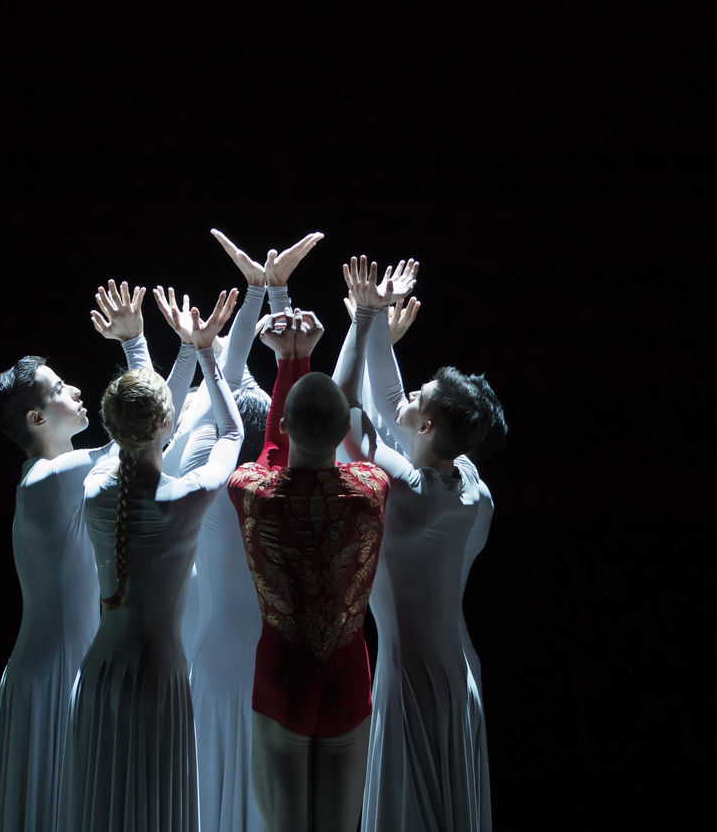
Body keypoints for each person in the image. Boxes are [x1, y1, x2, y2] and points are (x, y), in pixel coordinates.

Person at [0, 280, 169, 832]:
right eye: (60, 389)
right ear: (37, 419)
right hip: (55, 669)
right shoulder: (49, 478)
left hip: (55, 662)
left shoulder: (50, 478)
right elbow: (143, 428)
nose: (77, 391)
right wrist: (134, 342)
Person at [58, 288, 242, 832]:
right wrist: (204, 350)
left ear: (110, 427)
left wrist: (141, 345)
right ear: (168, 426)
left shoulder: (95, 488)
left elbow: (145, 418)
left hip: (101, 672)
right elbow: (232, 430)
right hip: (159, 676)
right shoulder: (187, 496)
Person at [340, 257, 507, 832]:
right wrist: (378, 326)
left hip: (412, 677)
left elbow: (346, 408)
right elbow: (393, 403)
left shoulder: (408, 490)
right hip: (456, 669)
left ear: (430, 428)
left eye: (422, 395)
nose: (409, 393)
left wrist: (366, 319)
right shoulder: (471, 486)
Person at [176, 228, 322, 832]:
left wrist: (257, 296)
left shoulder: (206, 487)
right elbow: (309, 413)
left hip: (214, 658)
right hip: (278, 665)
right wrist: (275, 298)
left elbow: (225, 397)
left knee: (211, 792)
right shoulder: (298, 494)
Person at [226, 305, 392, 832]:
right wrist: (302, 358)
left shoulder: (252, 492)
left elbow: (275, 452)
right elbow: (305, 439)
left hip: (284, 677)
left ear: (284, 422)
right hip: (348, 679)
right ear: (343, 431)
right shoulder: (371, 489)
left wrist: (291, 360)